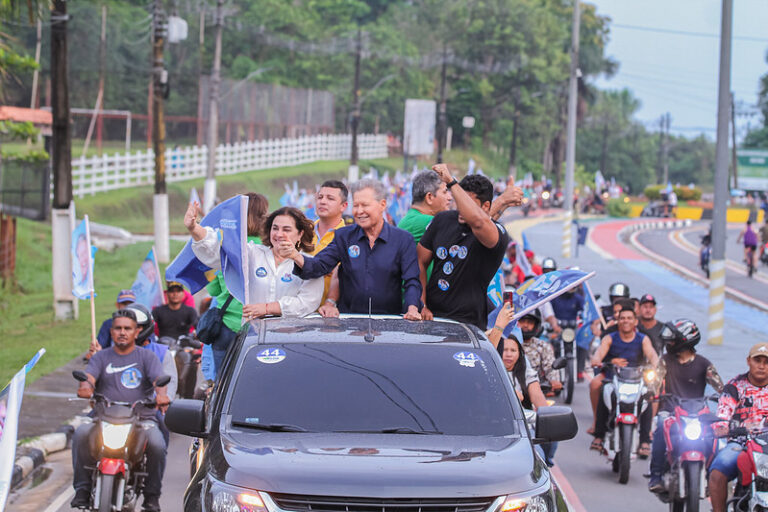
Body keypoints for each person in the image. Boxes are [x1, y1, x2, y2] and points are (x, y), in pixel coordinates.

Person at [69, 309, 170, 511]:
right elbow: (89, 378)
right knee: (80, 434)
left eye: (127, 328)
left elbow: (159, 380)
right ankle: (82, 489)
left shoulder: (147, 357)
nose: (122, 332)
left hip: (141, 419)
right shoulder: (101, 357)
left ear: (136, 331)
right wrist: (85, 387)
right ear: (112, 331)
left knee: (158, 444)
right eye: (118, 328)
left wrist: (161, 394)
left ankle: (152, 496)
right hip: (103, 417)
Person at [279, 179, 421, 319]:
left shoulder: (403, 239)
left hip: (389, 322)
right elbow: (319, 265)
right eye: (356, 206)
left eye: (365, 205)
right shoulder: (344, 236)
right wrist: (295, 255)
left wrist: (412, 308)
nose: (359, 211)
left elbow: (412, 281)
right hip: (349, 322)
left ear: (382, 204)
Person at [418, 164, 521, 328]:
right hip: (432, 318)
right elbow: (420, 262)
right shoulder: (442, 220)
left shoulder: (497, 233)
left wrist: (451, 182)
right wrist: (422, 304)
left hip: (468, 324)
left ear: (485, 206)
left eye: (467, 204)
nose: (461, 210)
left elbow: (479, 221)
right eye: (459, 202)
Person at [188, 204, 324, 320]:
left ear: (300, 234)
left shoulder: (310, 264)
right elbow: (220, 251)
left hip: (291, 336)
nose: (279, 234)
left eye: (286, 230)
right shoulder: (253, 253)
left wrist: (266, 308)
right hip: (254, 336)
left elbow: (307, 303)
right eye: (275, 228)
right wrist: (194, 228)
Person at [647, 319, 723, 493]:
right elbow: (655, 382)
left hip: (699, 413)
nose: (669, 344)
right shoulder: (665, 361)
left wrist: (728, 398)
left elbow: (721, 388)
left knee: (717, 438)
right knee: (659, 425)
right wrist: (651, 392)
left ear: (684, 341)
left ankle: (712, 476)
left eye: (673, 340)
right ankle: (656, 475)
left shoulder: (704, 364)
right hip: (671, 411)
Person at [204, 193, 269, 375]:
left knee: (222, 384)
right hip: (256, 328)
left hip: (226, 326)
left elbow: (214, 290)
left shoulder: (225, 249)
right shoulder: (268, 251)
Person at [589, 304, 659, 454]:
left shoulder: (643, 339)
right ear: (617, 321)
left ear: (635, 322)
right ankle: (599, 435)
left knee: (647, 396)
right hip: (613, 377)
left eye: (629, 318)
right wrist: (608, 361)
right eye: (622, 318)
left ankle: (645, 440)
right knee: (603, 390)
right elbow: (598, 355)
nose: (625, 321)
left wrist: (657, 366)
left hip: (636, 379)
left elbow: (652, 355)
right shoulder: (609, 338)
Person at [708, 343, 768, 512]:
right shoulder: (734, 386)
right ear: (749, 361)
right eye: (758, 360)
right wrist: (722, 427)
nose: (762, 366)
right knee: (717, 472)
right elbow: (723, 415)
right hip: (741, 443)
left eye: (766, 362)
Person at [312, 181, 349, 317]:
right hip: (299, 314)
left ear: (343, 206)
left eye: (330, 198)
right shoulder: (303, 232)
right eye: (320, 197)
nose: (323, 201)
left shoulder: (349, 238)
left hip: (330, 317)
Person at [397, 171, 451, 244]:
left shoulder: (411, 218)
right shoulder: (428, 221)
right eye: (445, 192)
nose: (450, 197)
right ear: (429, 197)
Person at [498, 334, 548, 410]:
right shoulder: (488, 374)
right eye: (504, 350)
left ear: (519, 353)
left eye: (513, 350)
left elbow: (542, 406)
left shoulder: (528, 375)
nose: (509, 354)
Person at [518, 309, 562, 394]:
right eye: (522, 321)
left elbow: (550, 367)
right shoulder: (507, 342)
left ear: (536, 326)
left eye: (530, 322)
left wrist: (553, 381)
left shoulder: (543, 346)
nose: (526, 325)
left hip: (535, 390)